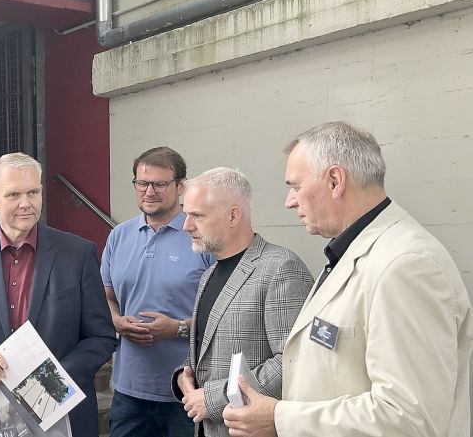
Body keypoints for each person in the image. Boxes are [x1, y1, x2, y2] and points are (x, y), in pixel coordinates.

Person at [223, 121, 473, 437]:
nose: (289, 201)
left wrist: (281, 419)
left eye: (296, 186)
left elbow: (410, 419)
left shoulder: (406, 265)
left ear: (335, 181)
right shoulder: (356, 253)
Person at [0, 152, 117, 437]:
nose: (26, 204)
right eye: (14, 194)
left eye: (33, 192)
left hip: (60, 411)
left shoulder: (78, 254)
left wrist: (53, 380)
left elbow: (102, 337)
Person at [171, 168, 313, 437]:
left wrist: (212, 398)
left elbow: (294, 362)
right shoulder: (210, 273)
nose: (185, 225)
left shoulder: (281, 268)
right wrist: (183, 376)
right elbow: (207, 350)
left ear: (233, 215)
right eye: (186, 213)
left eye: (197, 215)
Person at [100, 147, 213, 437]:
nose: (149, 191)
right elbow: (106, 297)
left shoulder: (202, 236)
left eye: (160, 184)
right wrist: (116, 321)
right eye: (142, 183)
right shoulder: (119, 236)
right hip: (128, 390)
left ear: (180, 185)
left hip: (187, 391)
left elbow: (224, 316)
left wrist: (177, 329)